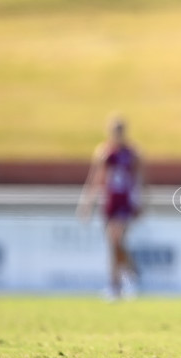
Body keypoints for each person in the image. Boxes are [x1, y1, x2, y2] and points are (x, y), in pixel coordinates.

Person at [77, 114, 143, 301]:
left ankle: (125, 278)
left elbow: (139, 179)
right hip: (110, 201)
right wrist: (87, 203)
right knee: (114, 244)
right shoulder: (104, 152)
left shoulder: (132, 153)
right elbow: (95, 179)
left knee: (117, 239)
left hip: (125, 201)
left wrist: (140, 202)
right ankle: (120, 281)